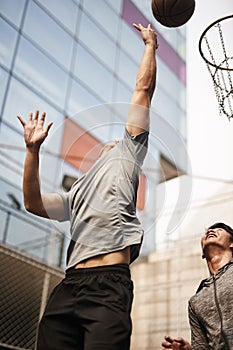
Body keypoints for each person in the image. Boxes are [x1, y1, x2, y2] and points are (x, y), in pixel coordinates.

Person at [18, 23, 158, 350]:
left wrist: (149, 45)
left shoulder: (128, 153)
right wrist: (32, 152)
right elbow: (33, 203)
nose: (112, 142)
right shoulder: (77, 192)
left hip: (108, 287)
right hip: (69, 285)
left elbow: (142, 90)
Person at [161, 222, 233, 350]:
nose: (210, 231)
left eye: (219, 229)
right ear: (202, 253)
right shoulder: (195, 301)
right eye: (207, 231)